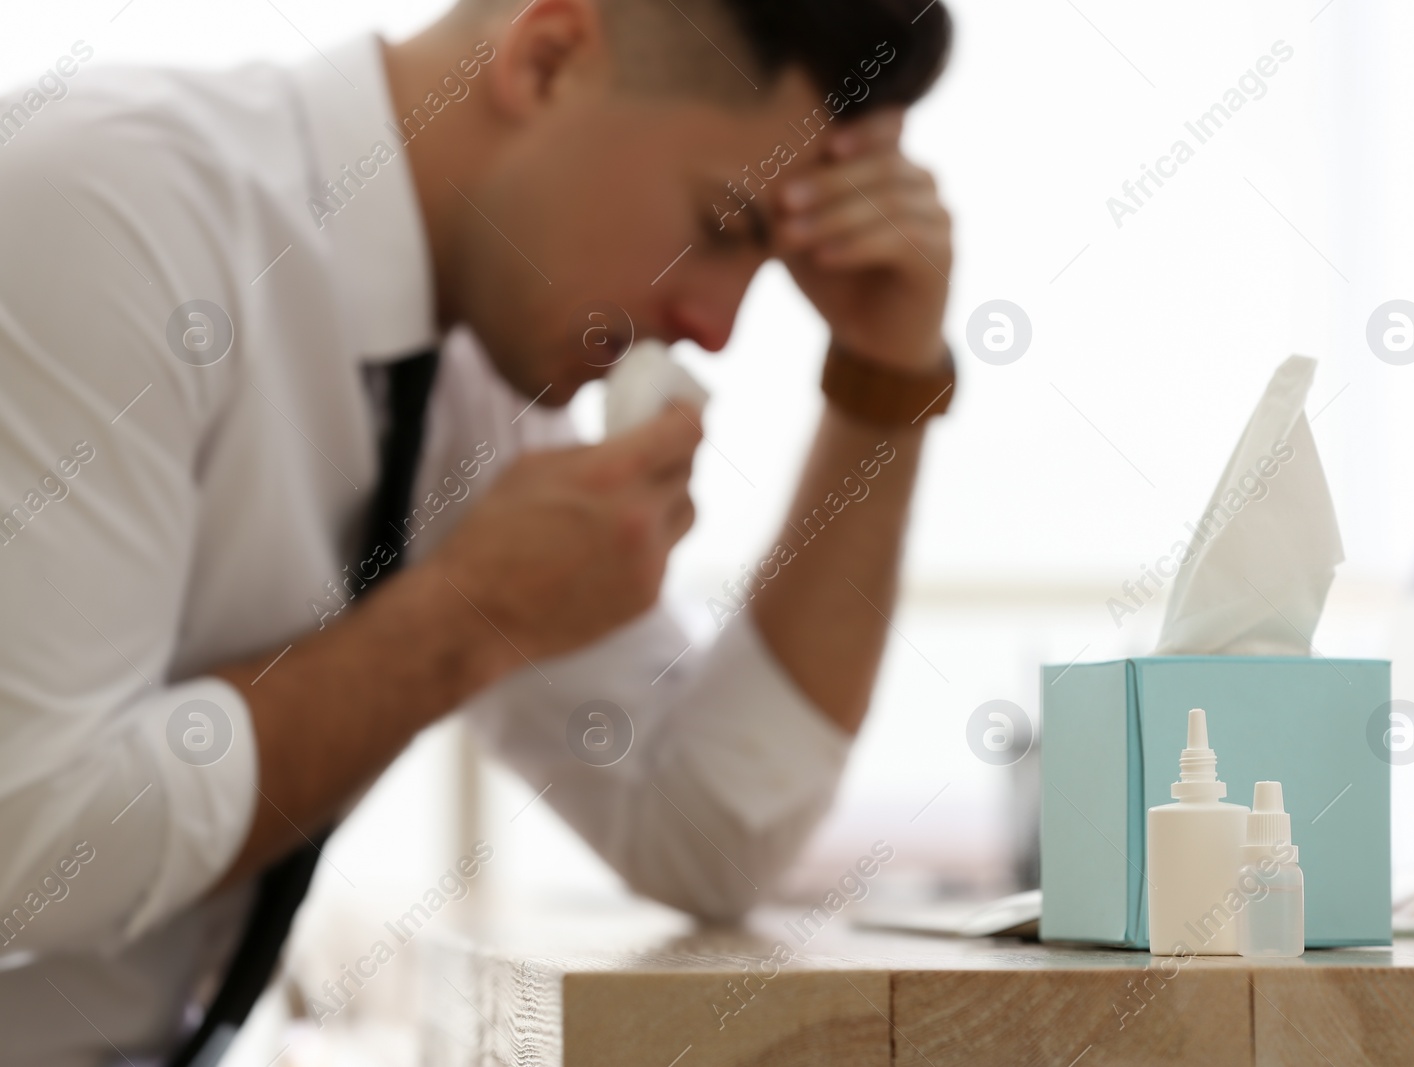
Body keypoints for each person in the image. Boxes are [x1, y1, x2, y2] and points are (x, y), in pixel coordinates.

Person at [0, 0, 953, 1061]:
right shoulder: (104, 207)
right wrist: (469, 616)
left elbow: (708, 826)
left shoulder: (478, 390)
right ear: (548, 59)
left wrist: (883, 384)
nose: (717, 328)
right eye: (723, 224)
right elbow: (25, 840)